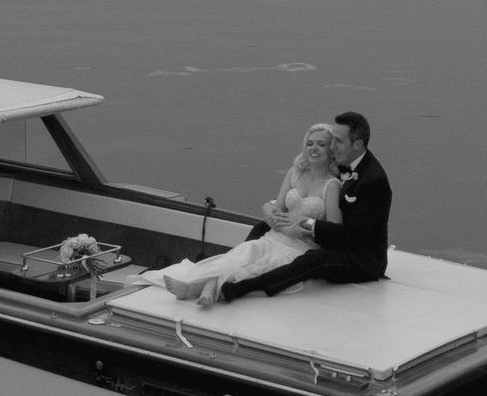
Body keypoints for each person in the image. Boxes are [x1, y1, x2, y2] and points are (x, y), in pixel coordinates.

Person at [163, 111, 391, 308]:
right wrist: (274, 212)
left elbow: (353, 234)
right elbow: (303, 187)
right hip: (329, 235)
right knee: (261, 228)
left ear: (357, 144)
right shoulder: (342, 162)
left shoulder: (373, 181)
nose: (330, 146)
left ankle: (236, 289)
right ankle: (220, 274)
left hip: (360, 257)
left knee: (313, 260)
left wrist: (303, 223)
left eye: (336, 142)